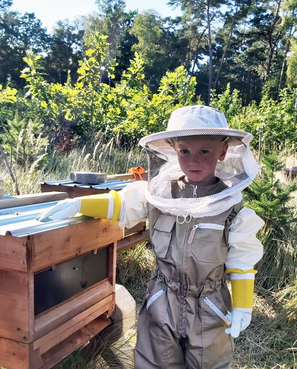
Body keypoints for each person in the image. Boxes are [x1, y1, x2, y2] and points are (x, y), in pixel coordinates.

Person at [38, 105, 264, 369]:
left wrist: (243, 306)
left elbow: (241, 262)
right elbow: (121, 204)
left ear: (223, 151)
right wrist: (79, 205)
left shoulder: (234, 211)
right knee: (153, 362)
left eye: (204, 151)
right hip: (161, 301)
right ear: (172, 149)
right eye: (184, 151)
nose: (194, 160)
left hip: (209, 308)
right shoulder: (159, 194)